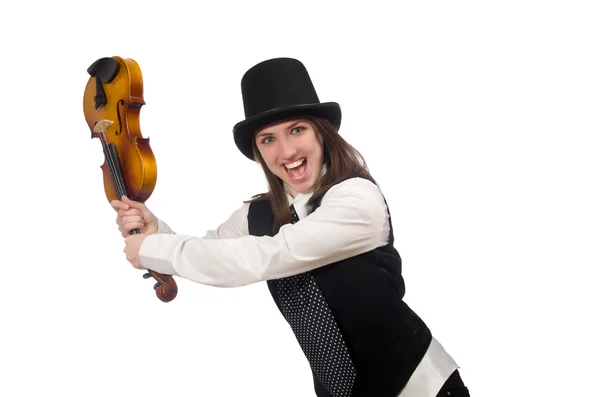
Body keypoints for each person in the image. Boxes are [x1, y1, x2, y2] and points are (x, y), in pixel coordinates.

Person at [111, 57, 470, 397]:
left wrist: (154, 251)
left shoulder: (357, 199)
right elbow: (214, 251)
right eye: (268, 139)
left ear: (321, 134)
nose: (285, 151)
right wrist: (156, 232)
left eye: (296, 130)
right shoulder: (257, 214)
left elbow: (271, 255)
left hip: (419, 387)